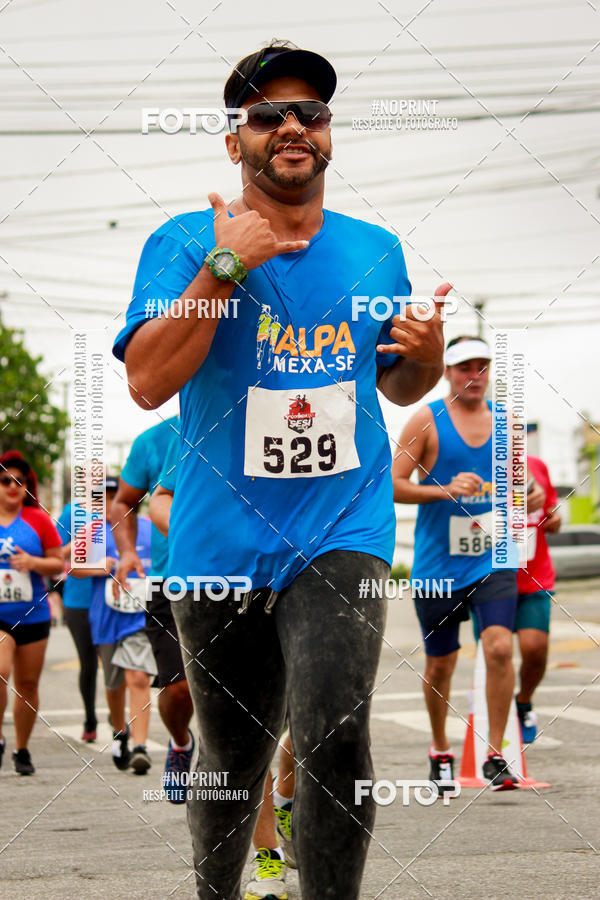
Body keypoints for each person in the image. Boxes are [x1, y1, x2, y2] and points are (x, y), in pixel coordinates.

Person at [114, 40, 447, 899]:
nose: (292, 126)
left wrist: (429, 361)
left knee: (336, 732)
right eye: (268, 115)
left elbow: (397, 381)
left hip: (345, 528)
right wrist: (229, 266)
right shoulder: (184, 240)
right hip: (219, 541)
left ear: (328, 136)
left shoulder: (375, 250)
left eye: (311, 113)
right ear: (237, 142)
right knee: (234, 751)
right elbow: (149, 380)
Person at [150, 464, 296, 900]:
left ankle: (287, 798)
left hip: (304, 574)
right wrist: (193, 531)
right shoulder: (190, 422)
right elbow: (148, 499)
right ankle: (267, 857)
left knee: (319, 723)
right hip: (209, 583)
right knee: (248, 742)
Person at [393, 336, 525, 792]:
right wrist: (445, 490)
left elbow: (518, 487)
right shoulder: (425, 420)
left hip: (493, 558)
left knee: (500, 649)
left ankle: (495, 753)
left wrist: (533, 497)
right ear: (447, 372)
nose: (475, 375)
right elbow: (393, 484)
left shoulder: (507, 424)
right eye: (464, 367)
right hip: (437, 566)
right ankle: (439, 748)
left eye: (482, 367)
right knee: (441, 665)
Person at [111, 417, 195, 800]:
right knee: (178, 690)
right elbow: (123, 502)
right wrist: (127, 551)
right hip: (168, 583)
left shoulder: (245, 423)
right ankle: (180, 743)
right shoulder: (154, 440)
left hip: (238, 580)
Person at [71, 477, 156, 774]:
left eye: (113, 497)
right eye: (102, 498)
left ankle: (141, 746)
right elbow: (73, 568)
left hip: (139, 618)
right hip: (105, 618)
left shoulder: (148, 528)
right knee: (114, 683)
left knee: (139, 678)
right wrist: (100, 566)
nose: (108, 504)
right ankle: (120, 730)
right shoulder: (92, 532)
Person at [0, 450, 63, 775]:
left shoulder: (37, 519)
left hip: (33, 613)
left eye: (19, 481)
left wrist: (32, 563)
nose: (12, 486)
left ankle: (21, 748)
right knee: (0, 668)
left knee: (28, 683)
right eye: (5, 480)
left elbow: (57, 564)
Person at [515, 455, 560, 742]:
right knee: (495, 654)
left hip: (535, 577)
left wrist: (554, 519)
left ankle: (524, 701)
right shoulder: (479, 465)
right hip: (491, 577)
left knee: (535, 649)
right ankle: (493, 711)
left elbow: (551, 514)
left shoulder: (538, 465)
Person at [56, 498, 98, 741]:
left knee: (116, 665)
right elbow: (56, 553)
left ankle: (119, 723)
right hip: (78, 600)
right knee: (89, 663)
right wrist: (81, 540)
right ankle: (90, 718)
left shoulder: (117, 513)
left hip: (110, 601)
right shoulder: (72, 512)